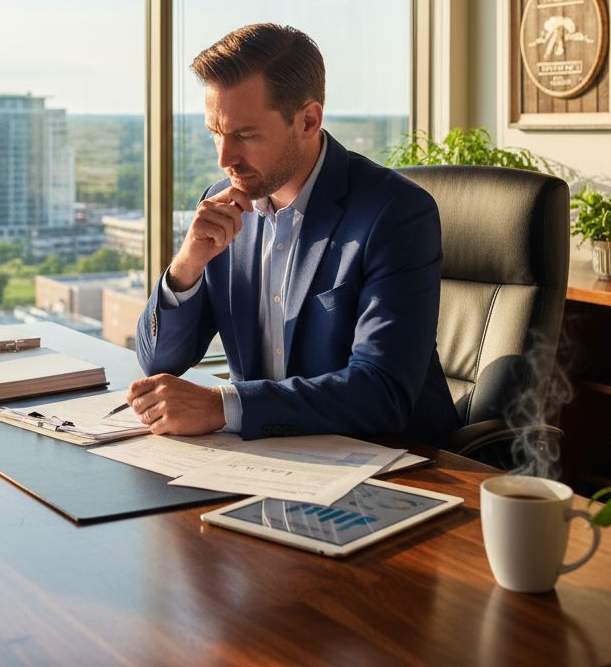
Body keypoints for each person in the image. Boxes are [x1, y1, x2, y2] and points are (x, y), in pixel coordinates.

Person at [127, 23, 459, 443]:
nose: (225, 158)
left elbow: (382, 393)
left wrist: (222, 405)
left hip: (393, 464)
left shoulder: (394, 213)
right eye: (216, 134)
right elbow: (158, 360)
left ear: (308, 120)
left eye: (245, 135)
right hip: (270, 461)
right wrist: (186, 267)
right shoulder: (223, 205)